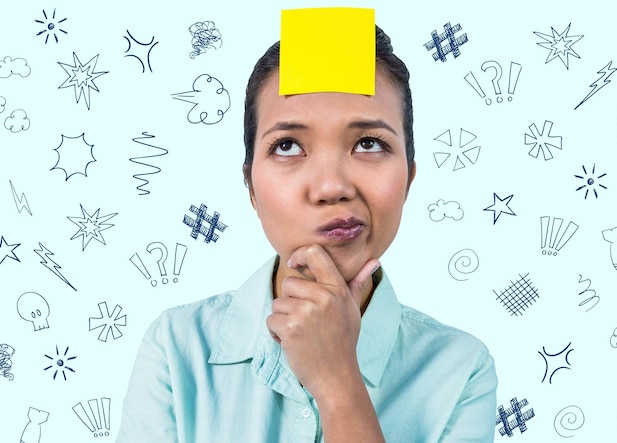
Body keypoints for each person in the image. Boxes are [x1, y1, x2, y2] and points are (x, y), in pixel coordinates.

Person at [117, 22, 497, 443]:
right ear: (251, 188)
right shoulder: (175, 348)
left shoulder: (460, 370)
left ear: (408, 178)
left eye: (369, 143)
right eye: (287, 146)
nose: (331, 186)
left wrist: (339, 386)